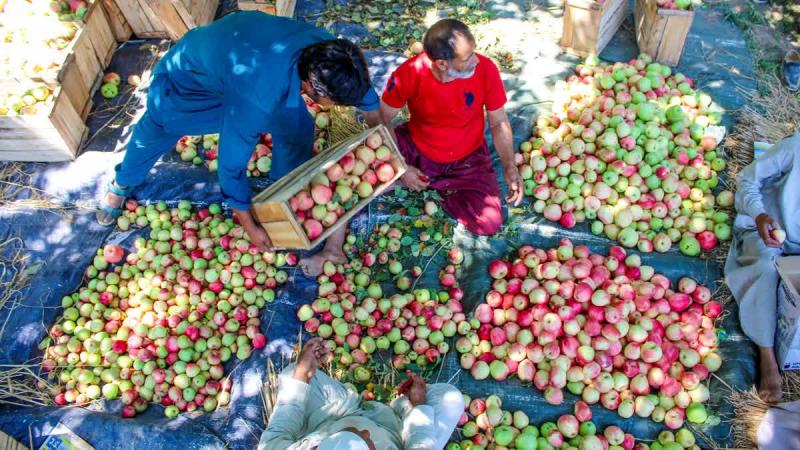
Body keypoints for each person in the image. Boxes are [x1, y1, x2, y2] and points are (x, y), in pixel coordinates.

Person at [96, 12, 386, 273]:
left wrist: (388, 148)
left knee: (297, 127)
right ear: (310, 86)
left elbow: (366, 99)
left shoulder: (331, 56)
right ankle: (120, 184)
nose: (341, 107)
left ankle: (284, 193)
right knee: (159, 126)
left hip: (241, 59)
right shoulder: (258, 98)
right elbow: (230, 166)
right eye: (336, 103)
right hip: (189, 81)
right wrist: (249, 226)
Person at [378, 19, 523, 236]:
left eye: (473, 52)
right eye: (467, 58)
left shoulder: (486, 69)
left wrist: (510, 166)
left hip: (468, 160)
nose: (476, 60)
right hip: (418, 148)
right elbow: (381, 119)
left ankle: (429, 185)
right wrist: (401, 166)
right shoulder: (409, 73)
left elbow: (498, 121)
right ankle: (424, 181)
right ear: (442, 64)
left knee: (489, 222)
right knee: (366, 164)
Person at [259, 338, 464, 450]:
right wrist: (419, 407)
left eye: (355, 433)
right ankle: (402, 410)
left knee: (292, 374)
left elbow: (279, 430)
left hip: (334, 416)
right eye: (367, 442)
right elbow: (421, 444)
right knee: (449, 398)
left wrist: (302, 374)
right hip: (391, 430)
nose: (365, 432)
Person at [725, 132, 800, 404]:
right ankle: (767, 355)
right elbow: (747, 180)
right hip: (768, 229)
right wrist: (759, 215)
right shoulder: (795, 147)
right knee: (765, 267)